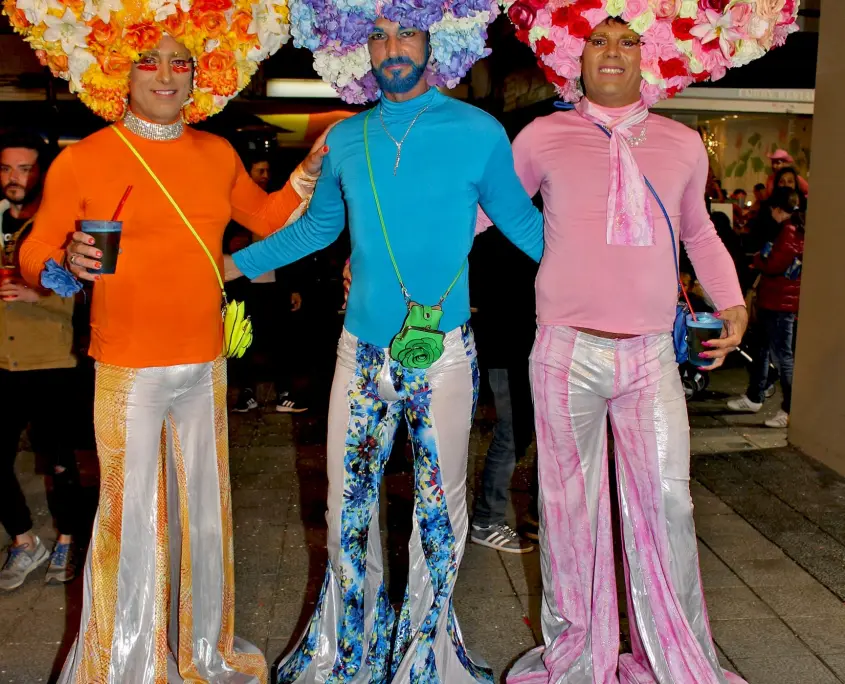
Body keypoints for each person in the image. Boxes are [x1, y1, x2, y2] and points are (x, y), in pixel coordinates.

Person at [8, 0, 331, 677]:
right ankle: (124, 664)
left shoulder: (216, 152)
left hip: (204, 363)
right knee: (130, 520)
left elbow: (270, 216)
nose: (164, 75)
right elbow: (33, 250)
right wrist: (64, 260)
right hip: (127, 367)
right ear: (118, 74)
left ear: (198, 76)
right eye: (147, 61)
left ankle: (201, 649)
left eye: (179, 62)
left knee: (203, 517)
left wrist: (309, 169)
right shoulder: (85, 159)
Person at [227, 2, 544, 680]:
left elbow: (523, 224)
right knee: (345, 507)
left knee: (439, 512)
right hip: (359, 352)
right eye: (376, 35)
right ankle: (349, 651)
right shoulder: (345, 138)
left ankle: (424, 659)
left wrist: (608, 281)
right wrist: (227, 267)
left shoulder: (478, 131)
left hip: (444, 354)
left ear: (437, 41)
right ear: (356, 47)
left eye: (406, 32)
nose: (392, 47)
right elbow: (317, 230)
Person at [496, 0, 797, 680]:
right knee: (566, 513)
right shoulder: (541, 137)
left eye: (627, 40)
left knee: (667, 503)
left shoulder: (681, 143)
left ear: (649, 55)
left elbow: (699, 233)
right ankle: (577, 658)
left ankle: (674, 660)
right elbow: (485, 213)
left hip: (650, 354)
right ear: (574, 55)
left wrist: (732, 303)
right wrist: (398, 262)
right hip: (564, 350)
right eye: (597, 39)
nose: (611, 51)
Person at [0, 131, 82, 590]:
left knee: (59, 462)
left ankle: (68, 540)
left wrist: (42, 294)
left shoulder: (58, 227)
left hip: (51, 360)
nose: (15, 178)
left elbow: (93, 289)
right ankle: (25, 541)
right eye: (6, 168)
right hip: (2, 361)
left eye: (25, 168)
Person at [226, 152, 309, 414]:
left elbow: (290, 247)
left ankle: (284, 393)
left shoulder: (274, 202)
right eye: (259, 171)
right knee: (243, 341)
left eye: (267, 171)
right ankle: (246, 394)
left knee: (279, 340)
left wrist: (293, 287)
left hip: (274, 284)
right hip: (244, 285)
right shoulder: (233, 206)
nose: (264, 176)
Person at [727, 187, 804, 428]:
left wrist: (759, 260)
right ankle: (755, 396)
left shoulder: (789, 232)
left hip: (780, 303)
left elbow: (773, 264)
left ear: (778, 209)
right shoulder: (791, 229)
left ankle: (789, 410)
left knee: (783, 358)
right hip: (773, 300)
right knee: (762, 349)